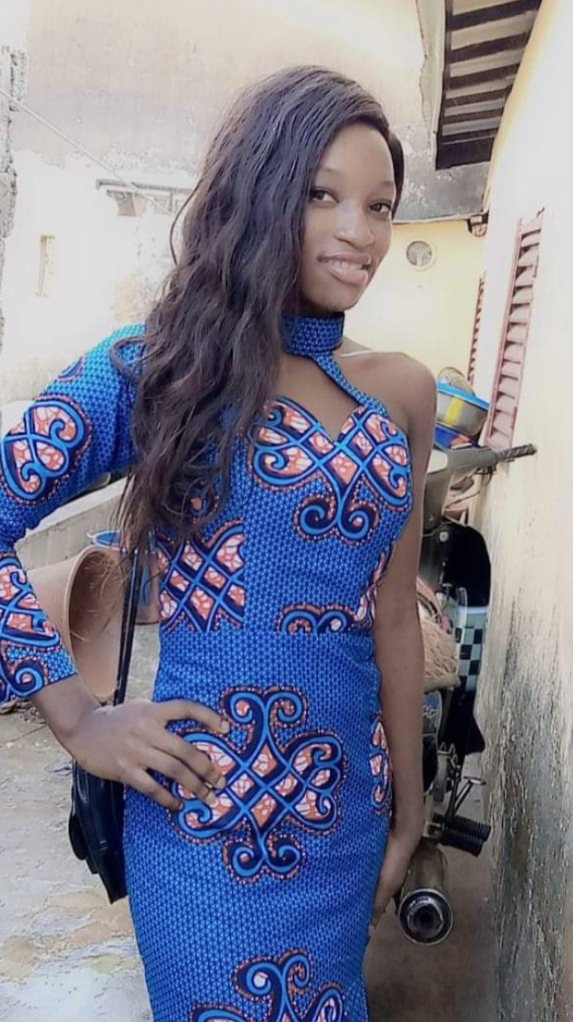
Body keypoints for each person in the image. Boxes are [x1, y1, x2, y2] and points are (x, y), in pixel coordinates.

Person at [0, 65, 435, 1021]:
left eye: (378, 205)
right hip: (199, 818)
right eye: (321, 195)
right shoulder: (158, 371)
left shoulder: (402, 391)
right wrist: (77, 721)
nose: (359, 232)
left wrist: (408, 812)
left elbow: (394, 616)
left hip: (343, 819)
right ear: (261, 192)